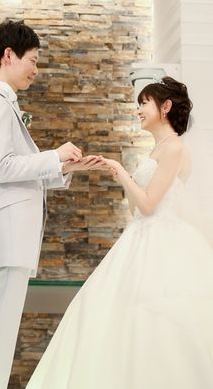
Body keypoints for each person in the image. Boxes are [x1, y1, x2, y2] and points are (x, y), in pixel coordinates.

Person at [26, 76, 213, 389]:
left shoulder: (174, 148)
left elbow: (150, 205)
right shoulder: (158, 150)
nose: (139, 110)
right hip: (139, 237)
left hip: (160, 244)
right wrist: (123, 176)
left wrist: (120, 170)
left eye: (144, 103)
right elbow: (137, 208)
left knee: (155, 319)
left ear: (165, 107)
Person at [0, 20, 101, 389]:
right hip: (8, 236)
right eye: (33, 60)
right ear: (9, 55)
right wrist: (54, 156)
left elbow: (16, 169)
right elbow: (2, 167)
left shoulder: (2, 103)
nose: (36, 70)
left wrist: (65, 167)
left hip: (11, 237)